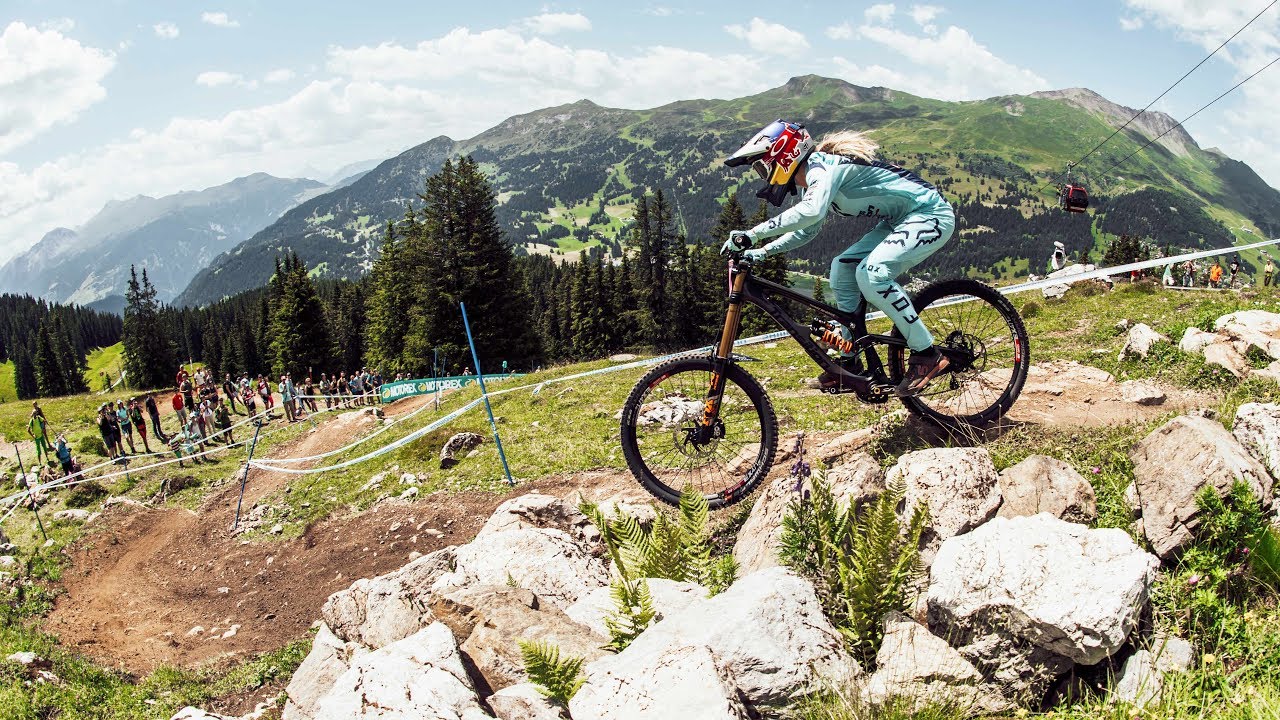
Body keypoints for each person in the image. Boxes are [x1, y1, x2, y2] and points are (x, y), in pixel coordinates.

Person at [722, 121, 955, 395]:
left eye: (764, 167)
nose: (765, 175)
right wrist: (761, 252)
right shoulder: (816, 175)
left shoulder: (823, 168)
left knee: (872, 274)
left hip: (929, 214)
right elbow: (805, 231)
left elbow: (810, 212)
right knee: (842, 268)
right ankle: (850, 362)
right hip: (899, 220)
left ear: (785, 156)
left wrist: (751, 235)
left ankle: (927, 352)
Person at [27, 402, 52, 466]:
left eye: (36, 413)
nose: (36, 414)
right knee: (39, 450)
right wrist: (33, 436)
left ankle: (47, 456)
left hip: (41, 427)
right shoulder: (32, 420)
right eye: (34, 413)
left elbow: (43, 417)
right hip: (36, 436)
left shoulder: (39, 411)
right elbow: (28, 429)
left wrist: (43, 426)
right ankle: (40, 462)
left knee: (44, 442)